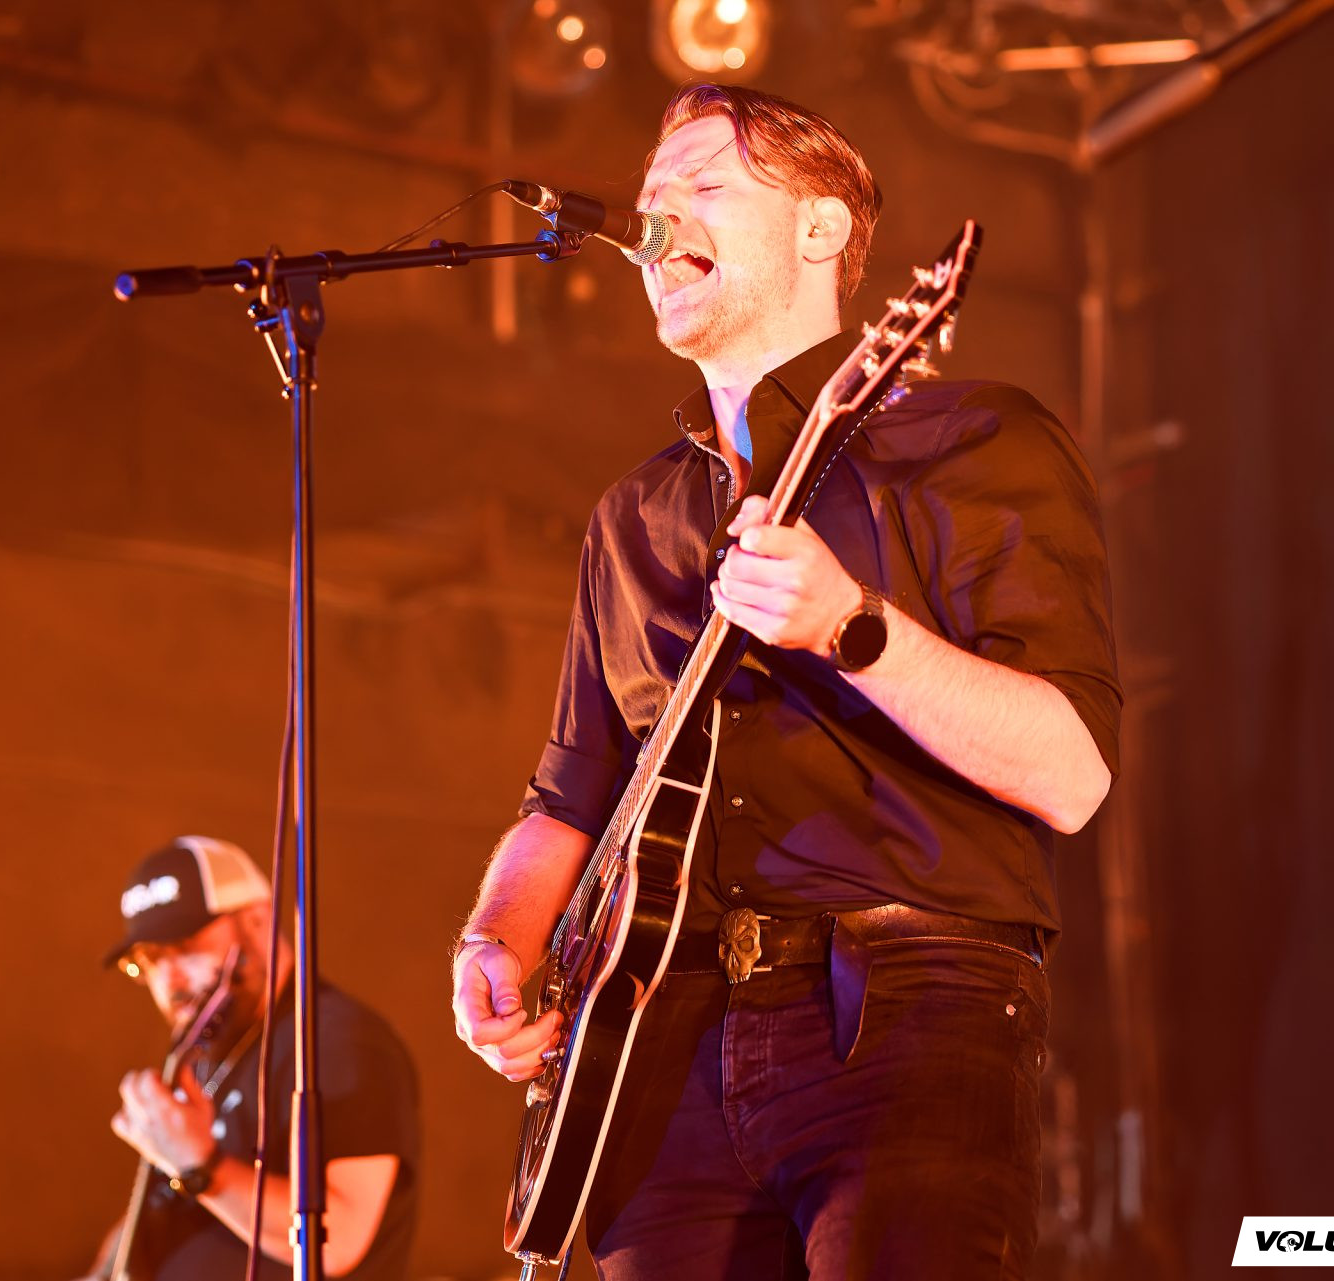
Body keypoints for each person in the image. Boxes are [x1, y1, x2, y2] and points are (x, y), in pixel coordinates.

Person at [451, 84, 1121, 1280]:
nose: (658, 219)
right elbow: (568, 799)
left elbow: (1070, 774)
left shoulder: (974, 440)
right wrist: (498, 939)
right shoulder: (633, 518)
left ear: (821, 228)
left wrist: (853, 628)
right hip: (656, 1044)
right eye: (651, 197)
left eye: (705, 186)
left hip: (905, 1005)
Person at [86, 837, 419, 1281]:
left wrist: (202, 1167)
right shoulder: (216, 1048)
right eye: (149, 960)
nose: (169, 980)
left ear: (258, 918)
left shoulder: (340, 1040)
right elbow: (159, 1206)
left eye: (185, 945)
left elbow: (336, 1239)